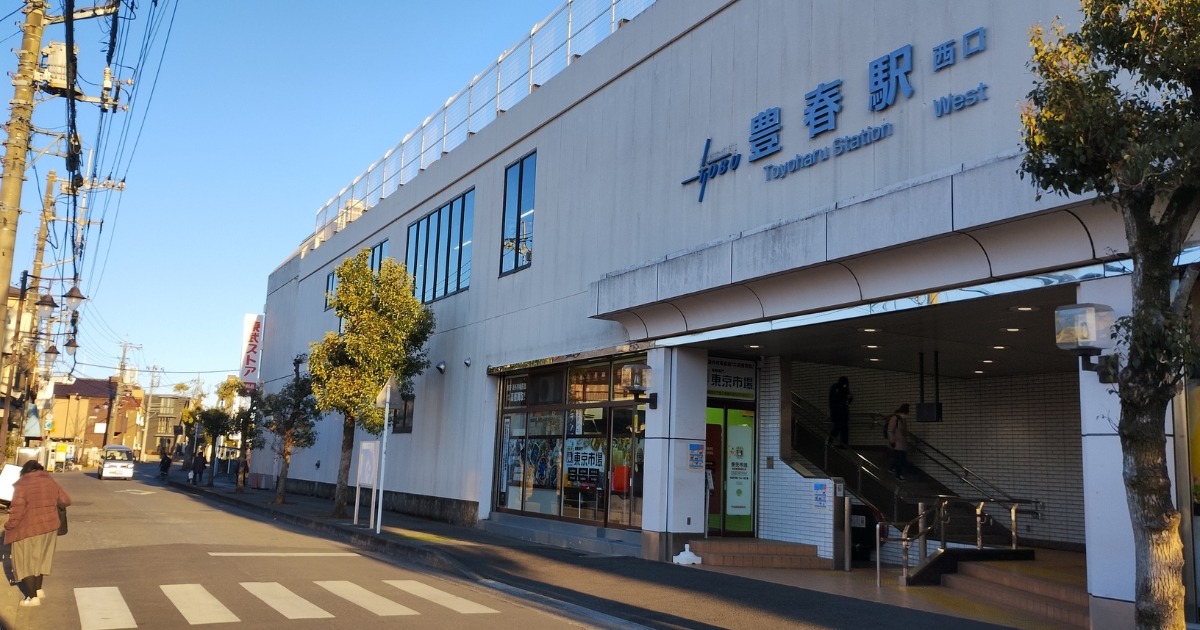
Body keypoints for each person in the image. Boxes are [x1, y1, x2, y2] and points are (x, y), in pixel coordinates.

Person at [4, 461, 71, 606]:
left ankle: (31, 597)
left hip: (28, 529)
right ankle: (39, 590)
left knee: (25, 562)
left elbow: (17, 510)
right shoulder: (50, 480)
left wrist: (9, 526)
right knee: (40, 560)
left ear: (25, 471)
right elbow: (66, 500)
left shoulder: (22, 484)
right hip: (49, 527)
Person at [826, 376, 853, 448]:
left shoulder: (838, 388)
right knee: (839, 428)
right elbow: (837, 399)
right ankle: (839, 444)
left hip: (839, 413)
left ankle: (840, 444)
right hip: (840, 413)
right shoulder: (838, 388)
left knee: (839, 428)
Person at [887, 403, 910, 481]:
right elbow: (890, 431)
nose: (906, 415)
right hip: (896, 442)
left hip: (902, 442)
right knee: (899, 458)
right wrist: (892, 441)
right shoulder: (895, 419)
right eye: (905, 413)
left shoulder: (902, 420)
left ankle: (892, 468)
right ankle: (898, 474)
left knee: (901, 458)